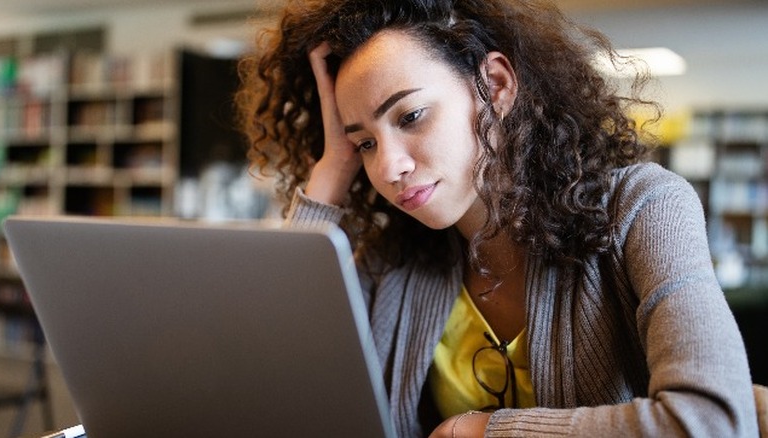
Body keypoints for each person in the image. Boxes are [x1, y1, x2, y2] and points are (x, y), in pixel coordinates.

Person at [235, 0, 759, 436]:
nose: (389, 166)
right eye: (367, 142)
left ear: (496, 84)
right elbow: (267, 390)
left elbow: (711, 422)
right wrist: (333, 167)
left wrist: (488, 431)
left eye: (411, 116)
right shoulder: (394, 261)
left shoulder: (644, 207)